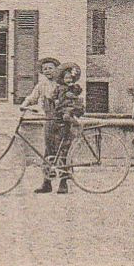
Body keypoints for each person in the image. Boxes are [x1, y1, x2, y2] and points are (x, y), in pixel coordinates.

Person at [38, 62, 85, 194]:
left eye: (50, 68)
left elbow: (76, 99)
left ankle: (63, 183)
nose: (47, 71)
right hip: (50, 119)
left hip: (63, 119)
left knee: (63, 150)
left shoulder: (70, 86)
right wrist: (25, 104)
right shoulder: (42, 85)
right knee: (48, 152)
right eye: (45, 69)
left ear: (56, 70)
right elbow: (33, 97)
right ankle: (46, 182)